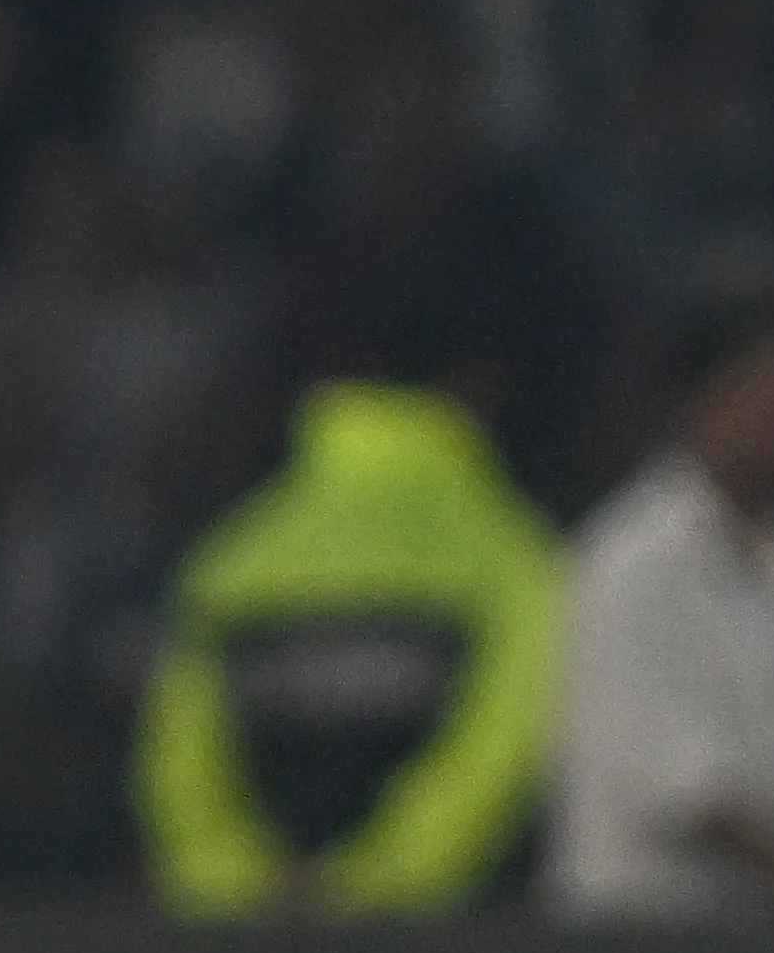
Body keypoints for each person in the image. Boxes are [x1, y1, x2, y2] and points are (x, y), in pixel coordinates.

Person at [134, 299, 563, 920]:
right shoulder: (515, 558)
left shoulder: (236, 556)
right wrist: (376, 884)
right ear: (478, 390)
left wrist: (233, 885)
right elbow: (502, 750)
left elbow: (179, 760)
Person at [546, 298, 774, 918]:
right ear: (701, 400)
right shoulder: (632, 557)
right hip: (638, 937)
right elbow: (678, 789)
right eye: (767, 391)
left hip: (755, 935)